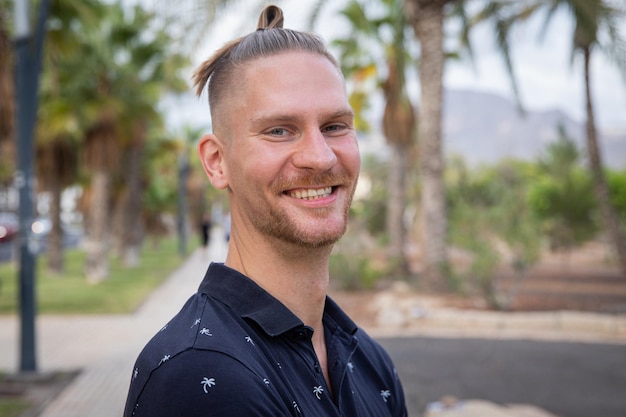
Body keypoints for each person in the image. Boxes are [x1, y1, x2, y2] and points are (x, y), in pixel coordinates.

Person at [123, 5, 407, 417]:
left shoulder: (368, 361)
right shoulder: (200, 376)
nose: (320, 157)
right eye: (279, 130)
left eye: (334, 126)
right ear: (217, 162)